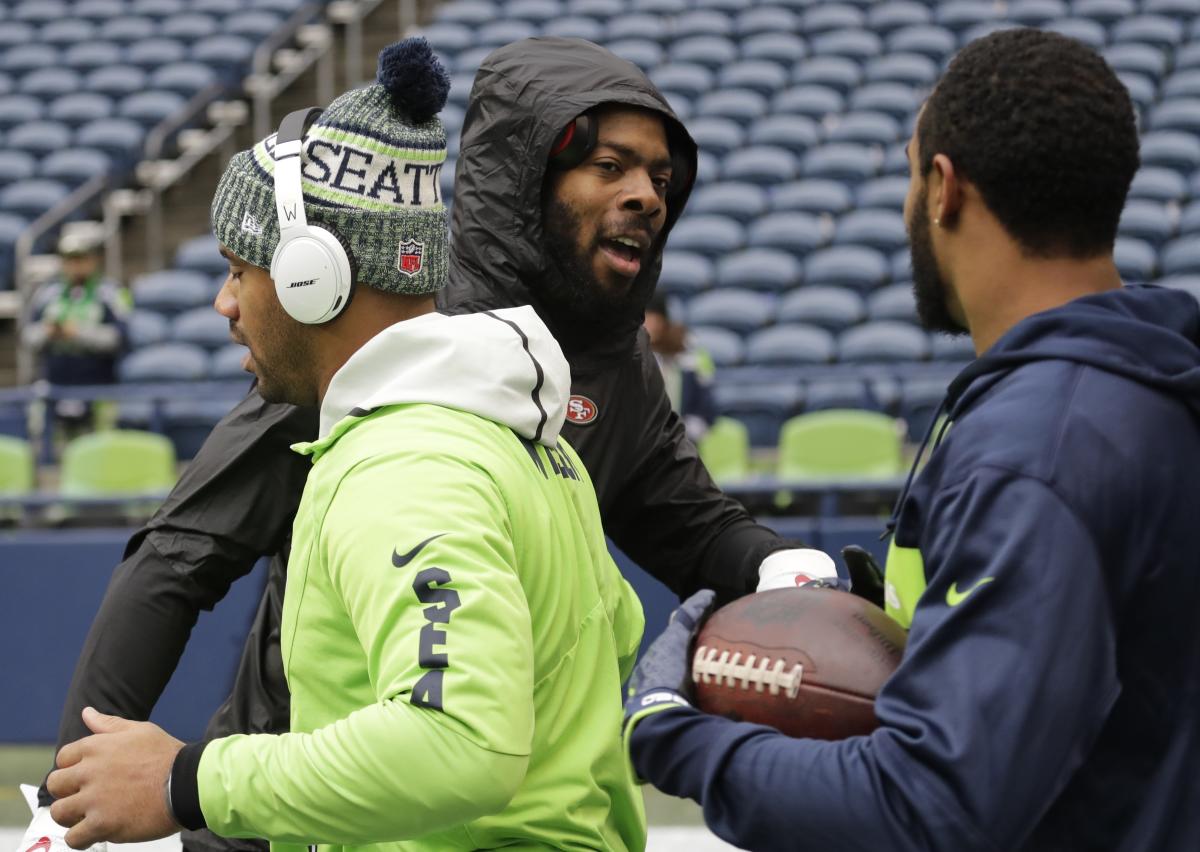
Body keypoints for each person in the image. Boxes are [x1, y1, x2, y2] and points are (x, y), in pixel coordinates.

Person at [19, 36, 836, 852]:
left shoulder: (421, 392)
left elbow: (462, 739)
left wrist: (784, 570)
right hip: (298, 801)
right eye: (611, 166)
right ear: (528, 176)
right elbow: (178, 559)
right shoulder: (403, 347)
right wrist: (74, 796)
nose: (648, 197)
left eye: (661, 178)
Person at [623, 28, 1200, 851]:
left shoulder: (1041, 446)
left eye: (906, 173)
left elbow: (927, 809)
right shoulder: (1136, 386)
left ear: (942, 187)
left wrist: (677, 734)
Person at [21, 225, 128, 441]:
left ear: (93, 259)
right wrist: (49, 332)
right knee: (50, 450)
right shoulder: (47, 294)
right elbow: (27, 336)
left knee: (100, 451)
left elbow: (118, 338)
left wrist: (76, 332)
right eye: (69, 259)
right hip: (55, 385)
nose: (75, 265)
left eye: (81, 258)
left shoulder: (111, 293)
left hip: (98, 387)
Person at [643, 292, 717, 441]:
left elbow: (707, 407)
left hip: (683, 442)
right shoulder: (633, 355)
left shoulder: (692, 358)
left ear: (664, 321)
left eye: (653, 318)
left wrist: (680, 432)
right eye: (644, 319)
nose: (648, 325)